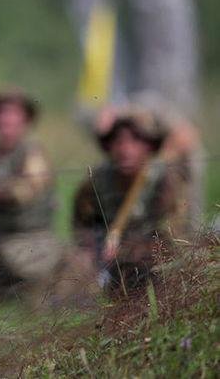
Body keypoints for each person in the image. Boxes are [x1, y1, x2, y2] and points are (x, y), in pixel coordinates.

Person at [72, 108, 189, 295]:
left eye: (135, 140)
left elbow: (174, 234)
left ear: (149, 146)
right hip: (105, 260)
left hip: (150, 259)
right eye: (118, 141)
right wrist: (91, 251)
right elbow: (82, 225)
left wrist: (128, 249)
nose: (125, 149)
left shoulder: (164, 181)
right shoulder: (97, 180)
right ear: (109, 146)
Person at [0, 88, 60, 297]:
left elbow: (23, 192)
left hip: (31, 241)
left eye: (13, 113)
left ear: (25, 120)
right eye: (2, 113)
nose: (7, 119)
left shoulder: (33, 153)